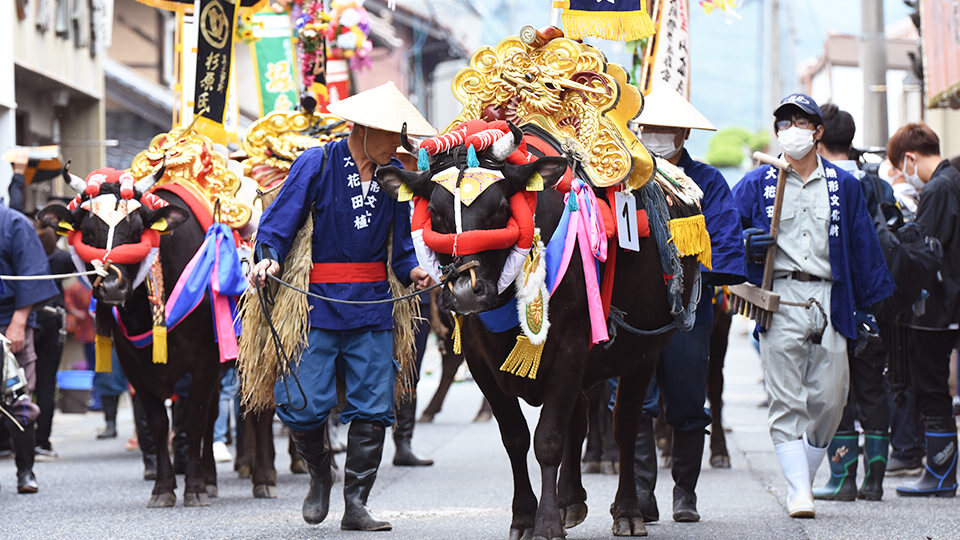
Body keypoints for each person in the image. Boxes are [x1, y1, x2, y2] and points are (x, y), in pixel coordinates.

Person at [249, 82, 434, 531]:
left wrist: (413, 272)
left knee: (374, 407)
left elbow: (402, 249)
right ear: (364, 128)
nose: (397, 143)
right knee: (304, 402)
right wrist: (267, 256)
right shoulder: (319, 162)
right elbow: (279, 223)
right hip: (316, 306)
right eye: (391, 134)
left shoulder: (393, 175)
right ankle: (319, 475)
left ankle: (356, 503)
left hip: (373, 305)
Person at [732, 93, 894, 518]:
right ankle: (799, 492)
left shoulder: (845, 185)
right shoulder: (756, 183)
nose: (791, 131)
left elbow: (862, 247)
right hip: (779, 298)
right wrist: (746, 243)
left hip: (830, 298)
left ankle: (801, 476)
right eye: (783, 123)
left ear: (818, 131)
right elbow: (725, 234)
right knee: (786, 401)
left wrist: (869, 308)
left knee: (830, 400)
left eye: (801, 123)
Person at [631, 87, 747, 523]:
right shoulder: (624, 178)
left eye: (664, 129)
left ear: (682, 134)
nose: (656, 135)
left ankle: (685, 493)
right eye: (649, 128)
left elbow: (725, 238)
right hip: (635, 311)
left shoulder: (709, 182)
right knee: (635, 400)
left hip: (689, 307)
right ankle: (641, 492)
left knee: (686, 399)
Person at [809, 104, 891, 501]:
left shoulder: (827, 182)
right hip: (875, 296)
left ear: (819, 135)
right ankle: (875, 482)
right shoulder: (877, 181)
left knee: (836, 388)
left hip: (836, 298)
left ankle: (843, 479)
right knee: (873, 387)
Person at [886, 123, 960, 497]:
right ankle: (941, 472)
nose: (904, 176)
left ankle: (941, 474)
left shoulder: (938, 189)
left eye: (900, 167)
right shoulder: (954, 180)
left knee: (931, 388)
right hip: (951, 304)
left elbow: (923, 253)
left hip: (938, 309)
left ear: (910, 158)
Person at [0, 197, 58, 493]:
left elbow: (31, 274)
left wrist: (19, 321)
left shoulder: (14, 223)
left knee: (17, 397)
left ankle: (26, 471)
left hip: (9, 320)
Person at [32, 219, 75, 459]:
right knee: (46, 383)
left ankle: (14, 438)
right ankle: (43, 442)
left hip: (27, 316)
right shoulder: (61, 259)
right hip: (52, 317)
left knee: (20, 383)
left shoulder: (27, 259)